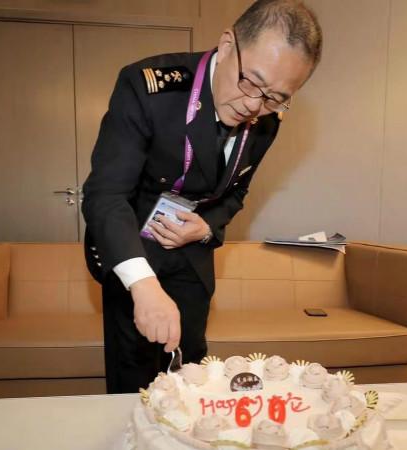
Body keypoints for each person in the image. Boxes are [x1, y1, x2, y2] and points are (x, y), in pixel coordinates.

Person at [82, 0, 322, 394]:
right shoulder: (149, 88)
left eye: (275, 97)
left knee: (192, 373)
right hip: (133, 250)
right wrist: (142, 284)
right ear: (227, 45)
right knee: (133, 376)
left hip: (192, 259)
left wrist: (206, 227)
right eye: (250, 82)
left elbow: (237, 190)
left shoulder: (267, 117)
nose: (254, 106)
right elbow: (106, 194)